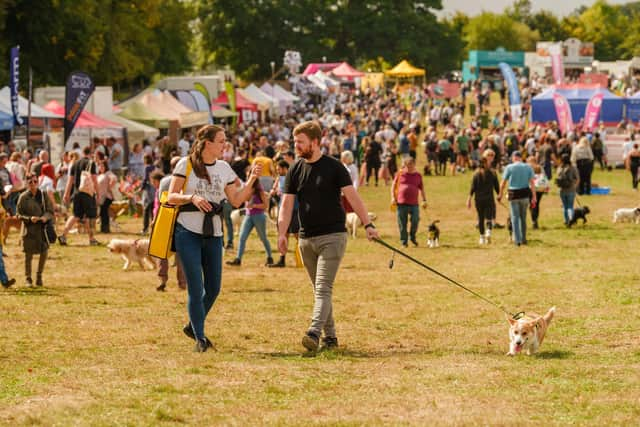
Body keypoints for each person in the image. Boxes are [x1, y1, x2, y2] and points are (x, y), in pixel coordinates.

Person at [277, 121, 379, 352]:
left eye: (300, 142)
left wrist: (368, 224)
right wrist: (282, 233)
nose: (296, 146)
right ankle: (330, 338)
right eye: (295, 142)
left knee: (322, 288)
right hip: (306, 239)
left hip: (333, 236)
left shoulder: (334, 167)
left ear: (315, 142)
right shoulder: (295, 169)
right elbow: (286, 204)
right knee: (319, 290)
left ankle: (314, 331)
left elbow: (353, 198)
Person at [167, 124, 262, 353]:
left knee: (213, 288)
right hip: (187, 231)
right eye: (220, 141)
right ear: (207, 143)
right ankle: (200, 338)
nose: (224, 145)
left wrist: (251, 181)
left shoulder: (224, 168)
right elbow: (171, 196)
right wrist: (192, 197)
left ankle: (192, 325)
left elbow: (237, 201)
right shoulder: (185, 163)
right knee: (195, 286)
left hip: (214, 233)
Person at [17, 173, 54, 287]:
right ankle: (28, 278)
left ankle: (39, 276)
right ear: (27, 183)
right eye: (30, 182)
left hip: (41, 229)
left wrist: (44, 218)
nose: (33, 184)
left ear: (38, 182)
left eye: (35, 181)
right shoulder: (23, 197)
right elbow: (18, 215)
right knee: (28, 255)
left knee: (44, 252)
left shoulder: (43, 195)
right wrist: (29, 218)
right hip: (29, 229)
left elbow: (50, 211)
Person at [225, 178, 273, 266]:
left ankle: (270, 258)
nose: (248, 178)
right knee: (242, 237)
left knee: (263, 238)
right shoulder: (247, 190)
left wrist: (254, 205)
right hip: (248, 215)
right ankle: (238, 259)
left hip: (259, 216)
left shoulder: (260, 191)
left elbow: (265, 205)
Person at [155, 158, 186, 291]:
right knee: (181, 251)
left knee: (162, 251)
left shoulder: (164, 181)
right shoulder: (187, 180)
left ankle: (162, 279)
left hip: (165, 216)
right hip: (181, 217)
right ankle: (182, 282)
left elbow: (160, 201)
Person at [59, 146, 100, 246]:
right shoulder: (91, 163)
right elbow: (94, 180)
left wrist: (66, 194)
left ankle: (63, 235)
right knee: (90, 216)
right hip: (88, 193)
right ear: (91, 153)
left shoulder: (75, 163)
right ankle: (92, 239)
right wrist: (98, 193)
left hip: (77, 193)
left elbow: (70, 180)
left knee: (75, 215)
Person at [497, 151, 536, 246]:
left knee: (514, 217)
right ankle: (523, 239)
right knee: (523, 217)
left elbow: (503, 183)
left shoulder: (509, 167)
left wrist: (500, 194)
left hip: (513, 194)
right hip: (525, 194)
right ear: (521, 157)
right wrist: (534, 196)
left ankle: (517, 240)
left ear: (513, 157)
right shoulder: (528, 167)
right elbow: (532, 183)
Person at [391, 157, 426, 247]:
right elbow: (393, 186)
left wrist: (424, 200)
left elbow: (422, 188)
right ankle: (404, 241)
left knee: (415, 220)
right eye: (407, 165)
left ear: (414, 165)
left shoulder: (418, 175)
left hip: (414, 203)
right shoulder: (400, 174)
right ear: (405, 165)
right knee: (402, 223)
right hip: (401, 203)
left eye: (411, 164)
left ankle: (412, 236)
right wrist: (392, 198)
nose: (409, 167)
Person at [467, 155, 499, 245]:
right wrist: (499, 195)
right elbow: (496, 187)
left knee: (480, 218)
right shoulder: (492, 173)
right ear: (486, 163)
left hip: (479, 199)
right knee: (489, 217)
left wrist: (469, 199)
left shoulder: (476, 174)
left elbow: (472, 188)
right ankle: (488, 231)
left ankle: (482, 237)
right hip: (489, 199)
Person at [556, 154, 580, 226]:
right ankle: (571, 220)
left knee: (565, 206)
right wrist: (575, 187)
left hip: (562, 190)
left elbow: (558, 178)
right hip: (571, 189)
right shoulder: (573, 168)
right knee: (570, 206)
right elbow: (577, 179)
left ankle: (566, 220)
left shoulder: (559, 168)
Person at [97, 161, 118, 233]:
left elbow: (114, 178)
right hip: (101, 197)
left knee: (104, 212)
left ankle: (105, 229)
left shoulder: (108, 173)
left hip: (107, 196)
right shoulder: (100, 175)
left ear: (106, 167)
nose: (101, 167)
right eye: (100, 166)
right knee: (102, 213)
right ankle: (103, 228)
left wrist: (110, 186)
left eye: (102, 166)